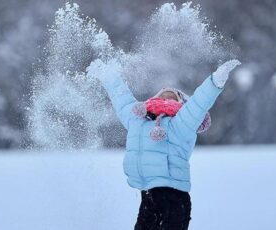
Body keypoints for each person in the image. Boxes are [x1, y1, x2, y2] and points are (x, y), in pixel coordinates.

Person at [87, 58, 241, 230]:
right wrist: (108, 75)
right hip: (148, 196)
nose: (167, 95)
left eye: (174, 96)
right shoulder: (137, 120)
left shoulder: (182, 123)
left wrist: (215, 82)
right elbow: (121, 98)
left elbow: (199, 103)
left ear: (182, 104)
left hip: (174, 198)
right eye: (163, 94)